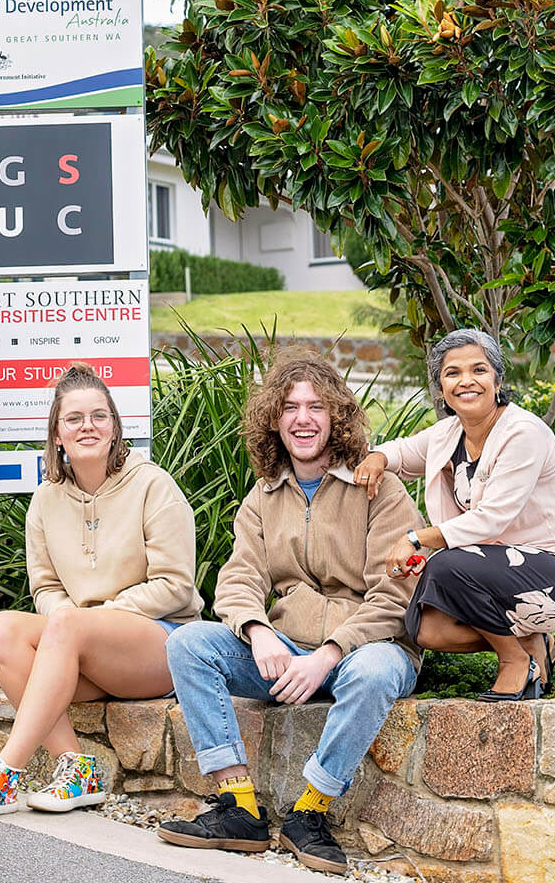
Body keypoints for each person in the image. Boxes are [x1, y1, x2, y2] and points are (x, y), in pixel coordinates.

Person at [158, 352, 421, 876]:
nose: (303, 419)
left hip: (363, 651)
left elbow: (395, 595)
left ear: (336, 416)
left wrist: (329, 654)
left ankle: (309, 814)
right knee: (187, 644)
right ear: (274, 420)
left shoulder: (380, 489)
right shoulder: (264, 495)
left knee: (376, 672)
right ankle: (239, 807)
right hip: (286, 651)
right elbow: (238, 579)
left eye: (316, 407)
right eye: (290, 407)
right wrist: (258, 631)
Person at [0, 364, 202, 821]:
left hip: (160, 643)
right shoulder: (45, 499)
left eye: (99, 416)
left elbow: (175, 585)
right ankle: (76, 770)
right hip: (85, 647)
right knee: (1, 630)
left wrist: (95, 618)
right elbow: (47, 588)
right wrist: (72, 626)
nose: (87, 426)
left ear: (115, 427)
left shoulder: (153, 485)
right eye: (74, 418)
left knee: (69, 623)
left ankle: (2, 775)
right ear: (57, 434)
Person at [353, 329, 555, 702]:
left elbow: (491, 519)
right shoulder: (448, 433)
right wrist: (377, 458)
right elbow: (403, 452)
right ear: (441, 388)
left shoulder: (523, 433)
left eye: (478, 370)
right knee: (426, 628)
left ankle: (515, 661)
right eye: (452, 373)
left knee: (445, 565)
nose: (466, 380)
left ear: (497, 381)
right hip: (494, 569)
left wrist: (415, 538)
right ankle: (534, 641)